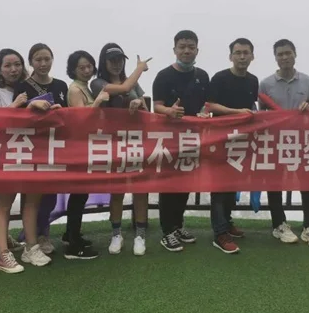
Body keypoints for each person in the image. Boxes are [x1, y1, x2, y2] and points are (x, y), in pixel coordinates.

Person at [259, 39, 309, 247]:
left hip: (303, 139)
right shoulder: (266, 83)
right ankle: (279, 225)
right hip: (276, 141)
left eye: (288, 53)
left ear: (295, 54)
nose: (285, 57)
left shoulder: (307, 81)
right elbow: (262, 113)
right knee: (274, 183)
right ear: (275, 58)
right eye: (280, 54)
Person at [90, 43, 152, 256]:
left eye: (119, 60)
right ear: (104, 62)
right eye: (112, 60)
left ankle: (140, 235)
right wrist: (140, 68)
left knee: (140, 190)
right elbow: (124, 89)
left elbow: (145, 109)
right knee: (117, 190)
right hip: (113, 142)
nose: (116, 64)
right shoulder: (98, 83)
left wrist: (137, 105)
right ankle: (116, 234)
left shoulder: (133, 83)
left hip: (136, 141)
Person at [152, 30, 210, 252]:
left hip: (193, 138)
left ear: (197, 50)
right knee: (169, 185)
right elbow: (156, 106)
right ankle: (167, 231)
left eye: (191, 47)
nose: (187, 51)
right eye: (182, 47)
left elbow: (205, 104)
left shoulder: (202, 75)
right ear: (174, 50)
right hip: (168, 139)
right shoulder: (164, 76)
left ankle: (178, 225)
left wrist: (204, 113)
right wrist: (169, 111)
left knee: (186, 184)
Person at [11, 43, 68, 266]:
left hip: (55, 146)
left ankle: (43, 234)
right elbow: (15, 118)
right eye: (38, 60)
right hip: (31, 148)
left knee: (50, 196)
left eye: (47, 59)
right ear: (31, 62)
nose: (43, 64)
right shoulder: (22, 87)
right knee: (32, 197)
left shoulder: (61, 85)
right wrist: (32, 107)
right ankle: (30, 240)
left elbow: (70, 115)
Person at [206, 38, 259, 254]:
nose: (242, 56)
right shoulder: (220, 78)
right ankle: (219, 234)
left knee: (232, 184)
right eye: (238, 53)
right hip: (219, 139)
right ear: (230, 56)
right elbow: (210, 105)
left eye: (246, 52)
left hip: (241, 140)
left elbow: (252, 107)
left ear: (252, 56)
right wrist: (237, 112)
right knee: (219, 187)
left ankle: (227, 223)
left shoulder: (253, 81)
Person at [62, 50, 110, 260]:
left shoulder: (84, 86)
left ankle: (71, 234)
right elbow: (80, 119)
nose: (86, 70)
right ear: (73, 70)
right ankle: (73, 245)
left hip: (86, 146)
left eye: (89, 66)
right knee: (78, 194)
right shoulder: (75, 89)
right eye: (81, 67)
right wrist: (98, 101)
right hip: (79, 147)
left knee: (81, 194)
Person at [0, 48, 28, 273]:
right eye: (8, 65)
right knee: (4, 203)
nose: (13, 69)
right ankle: (3, 254)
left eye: (17, 64)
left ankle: (5, 243)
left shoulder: (28, 88)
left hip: (27, 152)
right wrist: (16, 105)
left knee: (22, 201)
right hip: (4, 154)